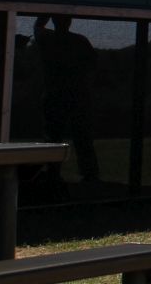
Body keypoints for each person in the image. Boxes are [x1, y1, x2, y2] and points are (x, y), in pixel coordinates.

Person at [31, 15, 99, 184]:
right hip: (78, 96)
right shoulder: (80, 41)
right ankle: (90, 174)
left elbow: (38, 25)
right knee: (82, 137)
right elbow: (93, 65)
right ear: (70, 22)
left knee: (53, 137)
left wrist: (47, 8)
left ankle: (52, 174)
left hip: (55, 96)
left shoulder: (47, 39)